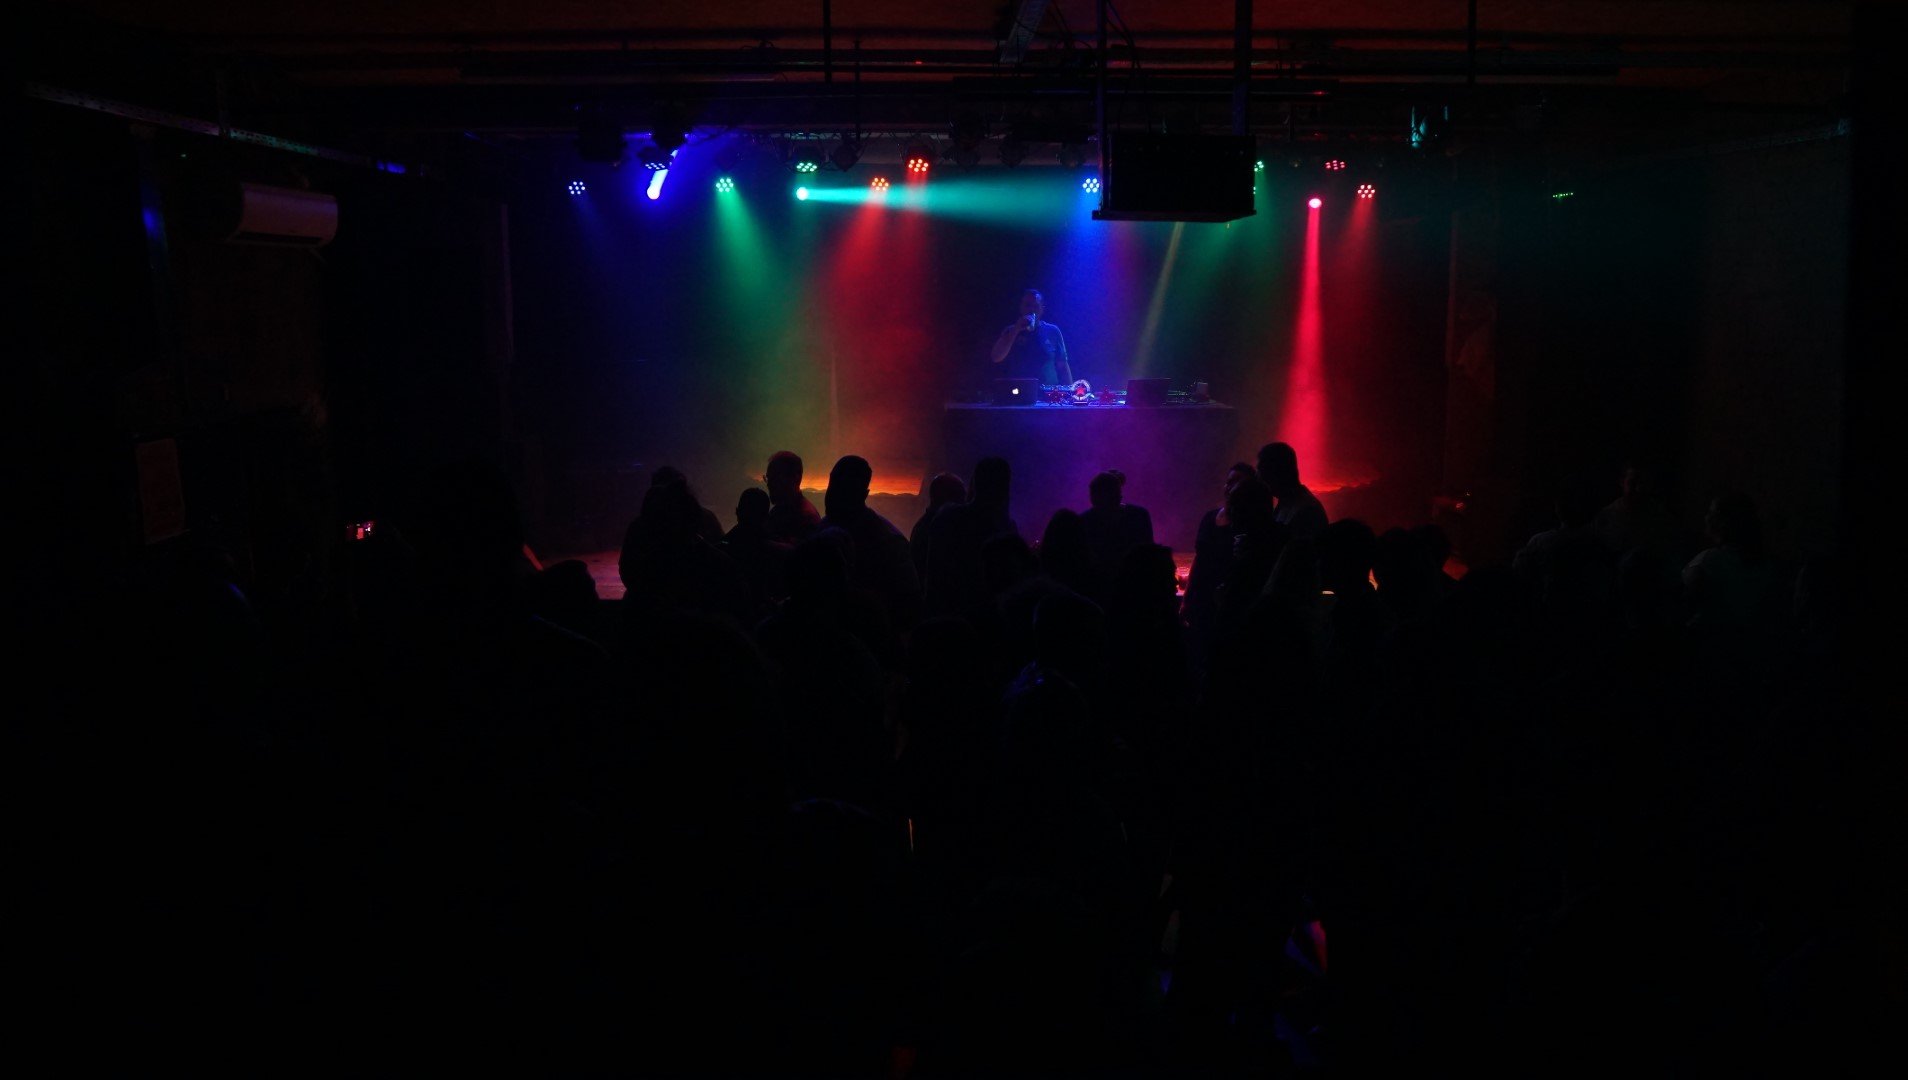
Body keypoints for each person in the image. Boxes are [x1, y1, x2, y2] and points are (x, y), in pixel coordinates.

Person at [820, 455, 921, 631]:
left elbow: (908, 606)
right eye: (832, 484)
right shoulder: (826, 527)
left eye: (842, 488)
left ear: (863, 494)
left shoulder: (887, 541)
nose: (831, 494)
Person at [1080, 470, 1154, 593]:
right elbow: (1151, 555)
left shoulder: (1084, 521)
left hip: (1099, 590)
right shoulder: (1139, 515)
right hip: (1135, 587)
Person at [989, 288, 1074, 386]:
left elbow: (1063, 365)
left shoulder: (1052, 331)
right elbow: (996, 357)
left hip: (1048, 391)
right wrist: (1016, 330)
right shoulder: (1010, 331)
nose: (1031, 310)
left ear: (1042, 309)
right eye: (1027, 305)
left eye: (1035, 306)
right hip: (1019, 390)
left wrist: (1070, 391)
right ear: (1021, 307)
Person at [1258, 442, 1329, 543]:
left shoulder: (1307, 510)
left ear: (1276, 472)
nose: (1258, 477)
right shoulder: (1288, 503)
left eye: (1262, 471)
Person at [765, 450, 821, 543]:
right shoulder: (778, 511)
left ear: (795, 478)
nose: (769, 484)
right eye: (768, 478)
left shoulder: (807, 519)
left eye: (775, 478)